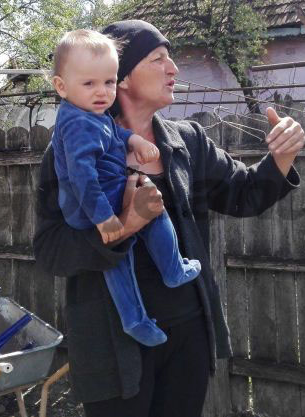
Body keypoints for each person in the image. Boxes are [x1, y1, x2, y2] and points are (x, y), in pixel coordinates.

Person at [33, 20, 304, 417]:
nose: (173, 68)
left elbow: (244, 194)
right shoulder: (69, 152)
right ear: (123, 78)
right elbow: (51, 251)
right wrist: (125, 224)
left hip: (188, 336)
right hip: (112, 348)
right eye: (158, 58)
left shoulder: (187, 141)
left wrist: (282, 156)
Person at [49, 29, 201, 348]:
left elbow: (113, 134)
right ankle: (170, 272)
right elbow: (82, 177)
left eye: (108, 82)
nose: (102, 91)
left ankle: (138, 315)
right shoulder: (77, 124)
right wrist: (106, 219)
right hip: (94, 203)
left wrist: (134, 141)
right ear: (61, 86)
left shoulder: (91, 114)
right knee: (148, 219)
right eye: (89, 83)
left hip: (104, 194)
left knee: (122, 257)